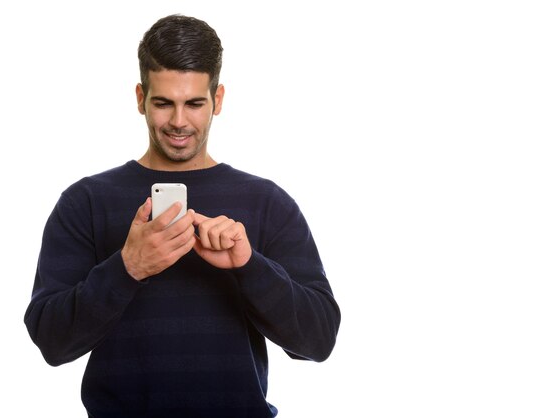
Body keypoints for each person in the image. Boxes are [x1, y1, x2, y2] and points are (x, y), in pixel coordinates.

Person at [24, 14, 340, 418]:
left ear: (218, 99)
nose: (178, 121)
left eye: (194, 103)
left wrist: (248, 266)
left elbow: (318, 340)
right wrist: (127, 267)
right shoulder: (84, 201)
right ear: (140, 98)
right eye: (162, 103)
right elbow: (51, 341)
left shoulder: (266, 202)